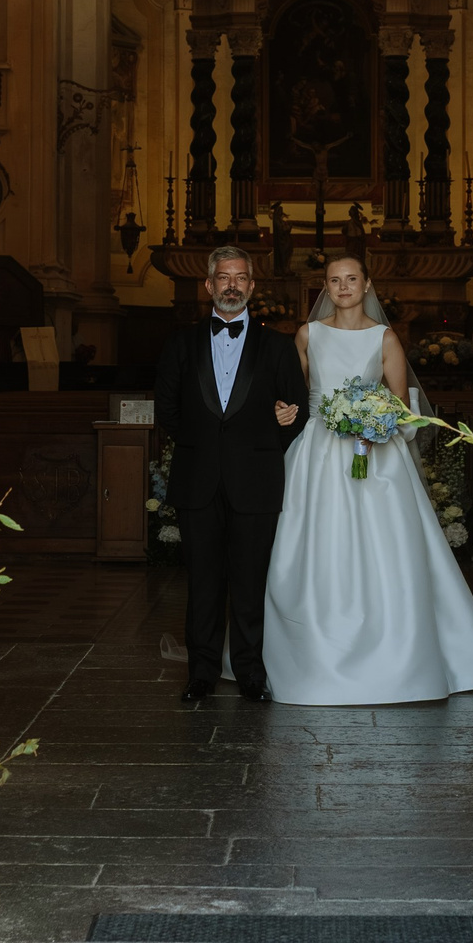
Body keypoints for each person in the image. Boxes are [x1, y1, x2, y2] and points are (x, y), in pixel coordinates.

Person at [262, 254, 473, 705]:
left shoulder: (385, 337)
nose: (343, 287)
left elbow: (402, 406)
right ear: (325, 287)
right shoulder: (308, 334)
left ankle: (399, 654)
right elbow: (292, 393)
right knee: (315, 542)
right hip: (317, 451)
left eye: (351, 279)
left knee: (389, 546)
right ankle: (308, 651)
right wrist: (282, 409)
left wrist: (375, 423)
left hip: (374, 454)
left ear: (366, 283)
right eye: (334, 280)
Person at [151, 245, 308, 704]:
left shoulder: (277, 346)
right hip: (197, 477)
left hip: (256, 479)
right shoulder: (180, 343)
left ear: (252, 286)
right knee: (202, 582)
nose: (232, 285)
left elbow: (297, 410)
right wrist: (203, 444)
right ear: (209, 285)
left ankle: (250, 674)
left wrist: (265, 439)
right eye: (223, 277)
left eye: (240, 277)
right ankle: (201, 673)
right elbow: (167, 408)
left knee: (249, 582)